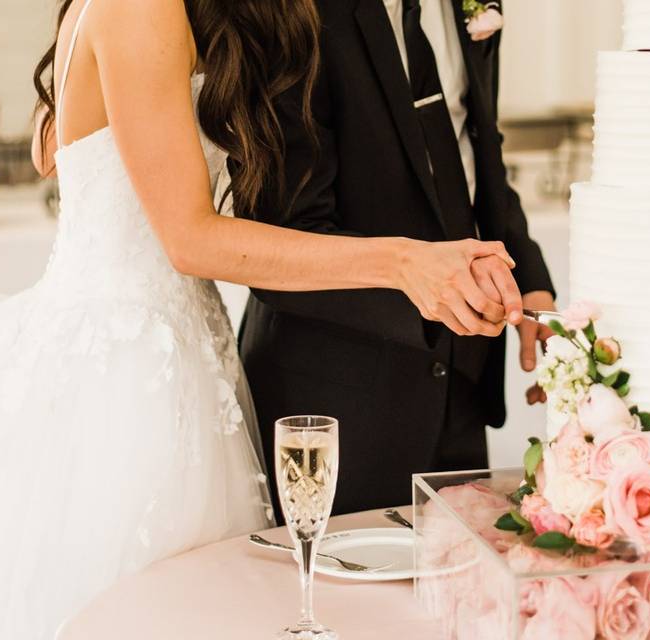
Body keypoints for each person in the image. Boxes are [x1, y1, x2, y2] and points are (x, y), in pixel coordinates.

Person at [0, 0, 522, 637]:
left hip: (189, 352)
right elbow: (190, 239)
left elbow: (51, 148)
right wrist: (402, 262)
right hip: (127, 375)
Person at [236, 0, 556, 516]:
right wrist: (430, 292)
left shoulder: (468, 9)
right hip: (338, 398)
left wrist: (527, 271)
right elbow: (278, 237)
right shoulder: (292, 13)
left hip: (461, 379)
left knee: (453, 584)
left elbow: (473, 145)